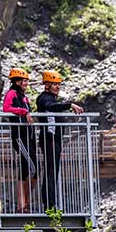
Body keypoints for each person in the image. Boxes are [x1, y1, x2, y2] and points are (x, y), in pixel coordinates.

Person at [36, 70, 84, 211]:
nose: (57, 87)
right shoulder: (44, 98)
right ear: (47, 85)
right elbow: (50, 107)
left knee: (52, 172)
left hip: (54, 140)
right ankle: (49, 206)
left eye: (58, 84)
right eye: (54, 84)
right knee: (51, 172)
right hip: (49, 138)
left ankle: (51, 204)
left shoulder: (50, 98)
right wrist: (69, 105)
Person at [2, 68, 37, 213]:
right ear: (17, 81)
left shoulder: (23, 96)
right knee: (32, 167)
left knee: (27, 169)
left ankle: (23, 205)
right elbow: (6, 108)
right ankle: (23, 204)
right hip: (19, 136)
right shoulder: (11, 93)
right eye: (24, 81)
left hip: (28, 135)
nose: (26, 84)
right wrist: (24, 112)